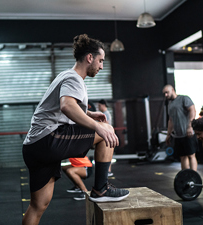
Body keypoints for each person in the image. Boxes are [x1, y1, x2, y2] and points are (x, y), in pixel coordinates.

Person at [22, 34, 129, 225]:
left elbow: (63, 108)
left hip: (34, 147)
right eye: (101, 60)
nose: (102, 66)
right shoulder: (75, 78)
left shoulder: (64, 75)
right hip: (49, 139)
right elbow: (66, 106)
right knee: (106, 130)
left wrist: (88, 114)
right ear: (90, 58)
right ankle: (101, 189)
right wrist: (98, 127)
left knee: (38, 206)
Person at [162, 84, 198, 171]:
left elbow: (192, 110)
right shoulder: (170, 105)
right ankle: (185, 176)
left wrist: (190, 126)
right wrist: (168, 135)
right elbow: (171, 121)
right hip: (178, 135)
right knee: (182, 156)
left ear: (172, 90)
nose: (165, 95)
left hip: (188, 133)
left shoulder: (183, 99)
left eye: (167, 92)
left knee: (191, 155)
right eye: (164, 94)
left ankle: (194, 177)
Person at [98, 99, 113, 176]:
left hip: (107, 135)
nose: (98, 107)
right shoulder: (105, 113)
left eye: (99, 105)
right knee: (106, 154)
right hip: (107, 135)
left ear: (103, 105)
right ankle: (108, 171)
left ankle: (108, 171)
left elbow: (105, 124)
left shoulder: (106, 114)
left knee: (107, 154)